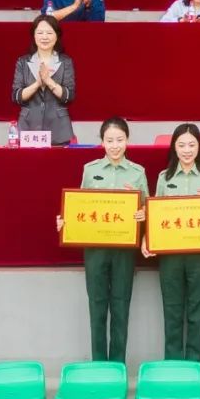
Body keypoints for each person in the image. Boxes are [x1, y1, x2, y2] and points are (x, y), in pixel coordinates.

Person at [55, 117, 148, 362]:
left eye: (119, 140)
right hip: (95, 249)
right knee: (97, 305)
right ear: (102, 142)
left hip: (124, 249)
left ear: (127, 141)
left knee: (121, 306)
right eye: (110, 140)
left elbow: (148, 208)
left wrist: (142, 213)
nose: (115, 145)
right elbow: (80, 207)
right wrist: (65, 221)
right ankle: (98, 364)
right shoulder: (90, 169)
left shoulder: (138, 172)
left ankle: (117, 365)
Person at [141, 124, 200, 362]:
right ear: (174, 148)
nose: (187, 150)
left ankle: (194, 364)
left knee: (198, 310)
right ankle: (173, 365)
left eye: (192, 145)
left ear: (199, 147)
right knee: (172, 311)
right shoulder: (164, 178)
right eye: (182, 145)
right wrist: (147, 238)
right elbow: (155, 215)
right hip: (171, 256)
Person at [11, 15, 76, 146]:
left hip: (58, 129)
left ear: (56, 36)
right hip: (29, 127)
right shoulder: (23, 62)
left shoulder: (66, 61)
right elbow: (17, 97)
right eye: (40, 33)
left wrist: (49, 81)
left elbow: (69, 96)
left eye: (49, 33)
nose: (44, 37)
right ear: (34, 36)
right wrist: (37, 84)